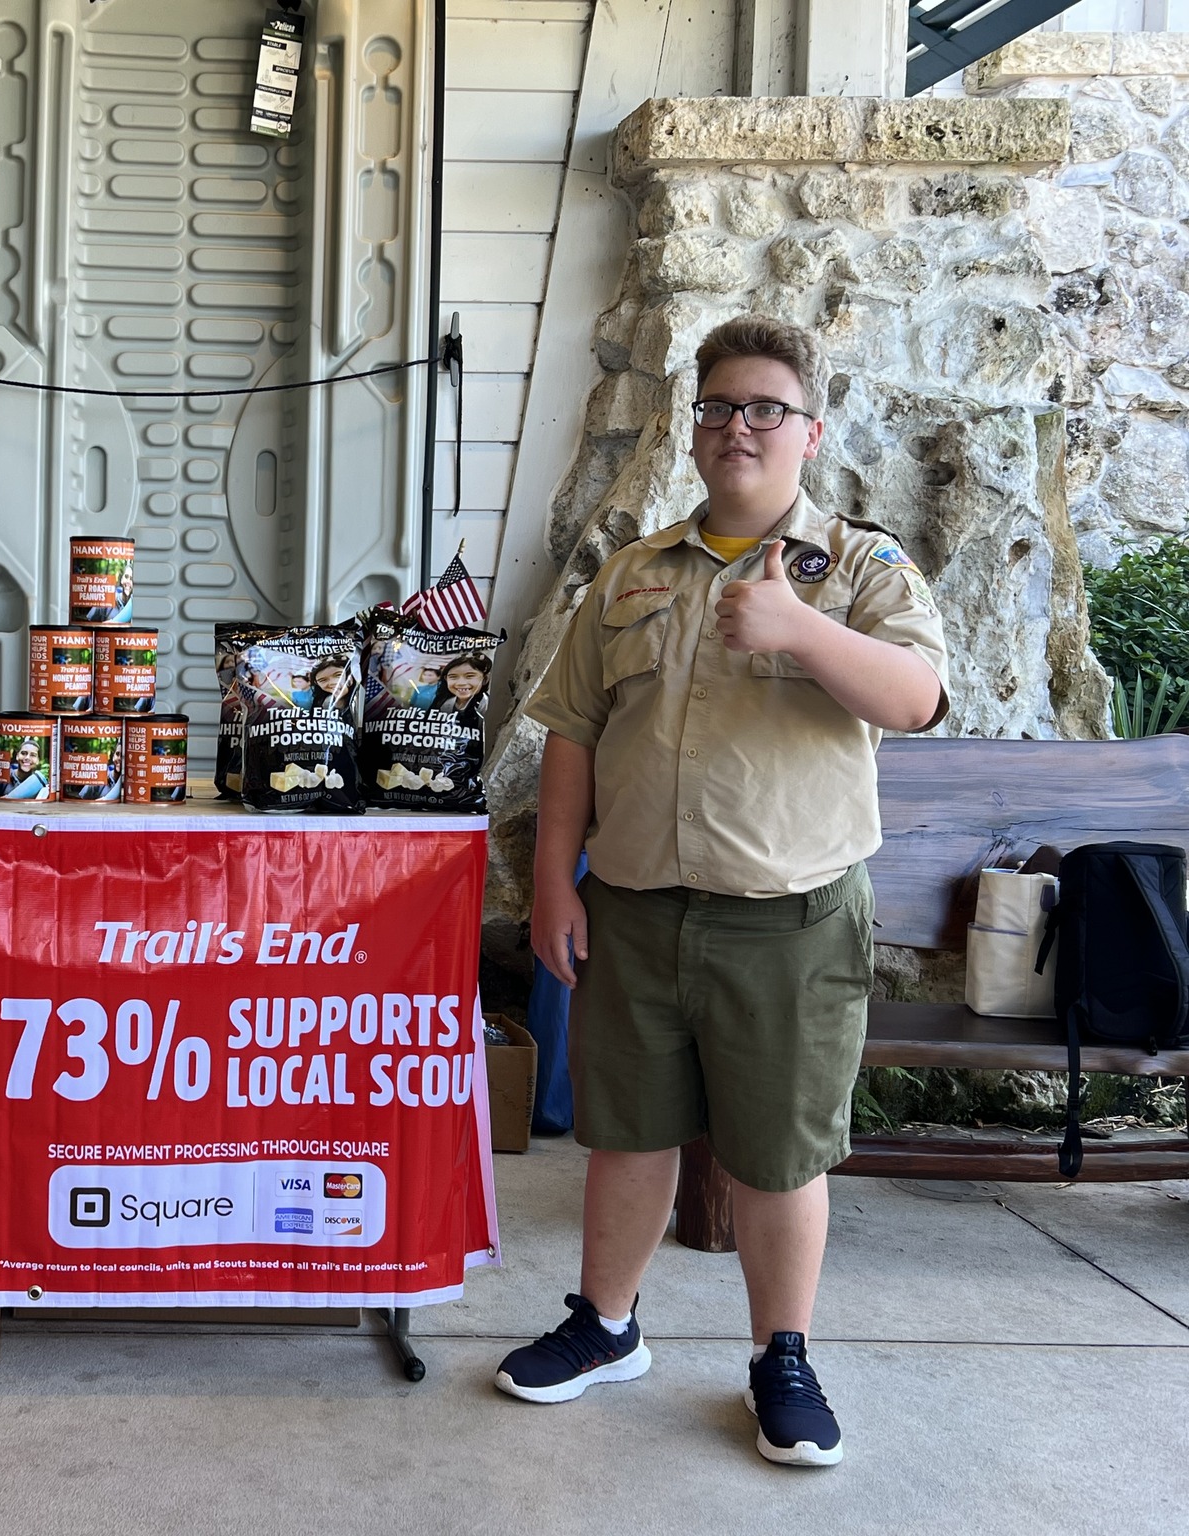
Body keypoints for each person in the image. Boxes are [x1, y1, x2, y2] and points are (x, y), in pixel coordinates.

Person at [500, 315, 947, 1468]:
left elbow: (912, 698)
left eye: (762, 408)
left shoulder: (856, 567)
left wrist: (799, 630)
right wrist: (553, 884)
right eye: (715, 407)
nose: (735, 427)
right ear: (693, 429)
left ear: (809, 432)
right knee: (626, 1134)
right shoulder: (631, 573)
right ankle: (605, 1325)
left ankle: (779, 1358)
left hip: (787, 921)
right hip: (636, 908)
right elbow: (571, 734)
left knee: (774, 1155)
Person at [430, 653, 489, 729]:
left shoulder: (486, 705)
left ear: (484, 679)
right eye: (453, 677)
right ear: (446, 679)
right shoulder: (442, 702)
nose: (461, 683)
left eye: (469, 676)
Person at [0, 735, 51, 800]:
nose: (27, 758)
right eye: (23, 753)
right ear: (17, 756)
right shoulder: (5, 776)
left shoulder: (40, 783)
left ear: (38, 760)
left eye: (33, 755)